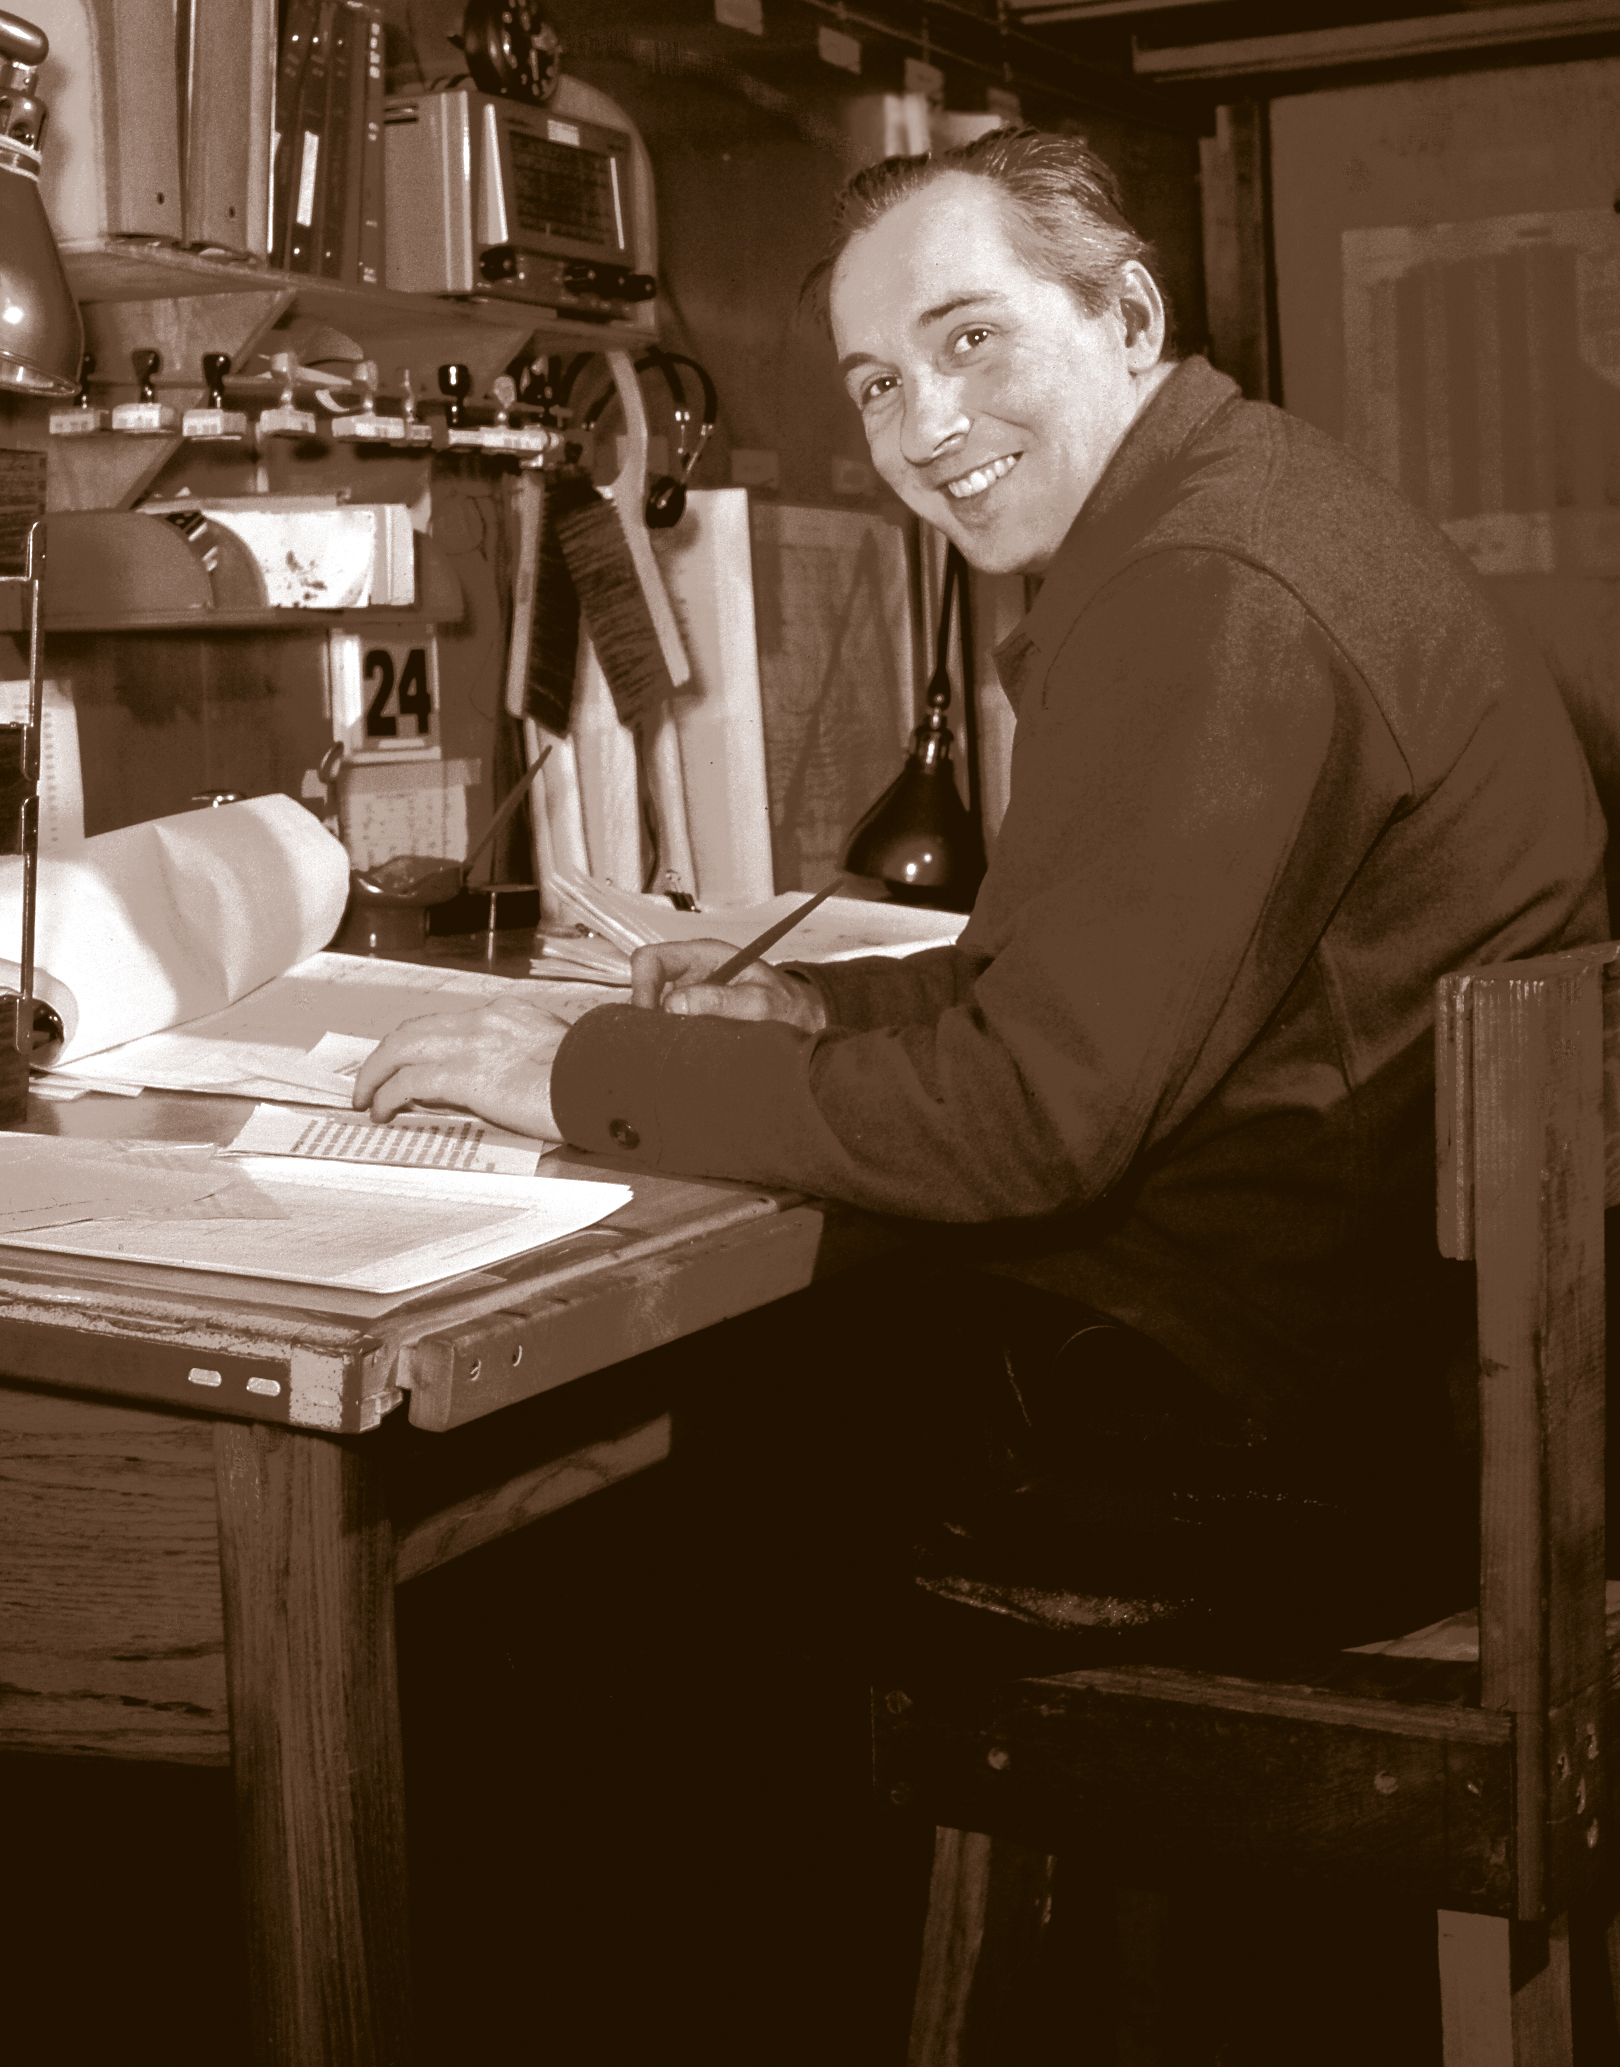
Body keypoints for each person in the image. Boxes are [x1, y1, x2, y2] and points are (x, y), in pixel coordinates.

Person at [356, 128, 1607, 1654]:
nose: (925, 423)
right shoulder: (1227, 511)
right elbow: (1064, 975)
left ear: (1128, 321)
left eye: (971, 337)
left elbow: (1031, 1127)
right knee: (724, 1420)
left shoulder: (1211, 593)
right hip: (1376, 1371)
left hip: (1285, 1436)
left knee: (614, 1534)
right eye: (879, 380)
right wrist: (807, 1002)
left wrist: (569, 1070)